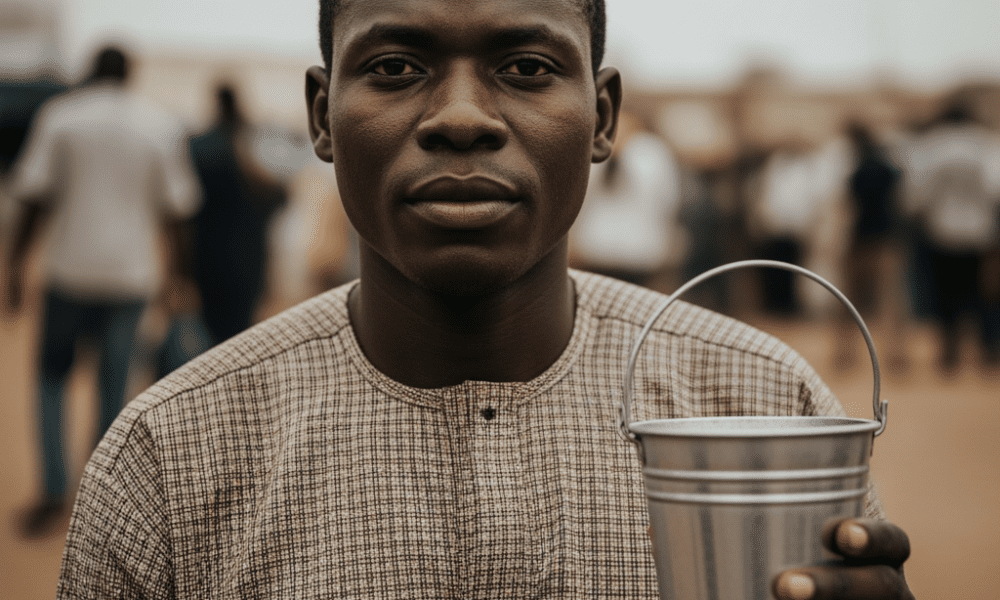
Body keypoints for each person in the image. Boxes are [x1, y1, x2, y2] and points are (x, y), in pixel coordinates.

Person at [56, 2, 914, 598]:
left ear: (603, 115)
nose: (461, 117)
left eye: (527, 68)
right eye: (394, 67)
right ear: (323, 114)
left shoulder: (763, 406)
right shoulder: (170, 457)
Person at [4, 45, 201, 538]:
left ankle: (52, 492)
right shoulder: (159, 124)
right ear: (131, 73)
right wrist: (178, 276)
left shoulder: (62, 117)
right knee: (114, 388)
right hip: (130, 279)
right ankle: (98, 498)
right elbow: (177, 211)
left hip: (68, 272)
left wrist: (13, 267)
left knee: (51, 381)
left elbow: (34, 194)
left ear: (90, 71)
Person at [188, 84, 287, 347]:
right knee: (240, 330)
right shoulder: (254, 146)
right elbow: (281, 198)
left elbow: (185, 208)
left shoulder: (199, 145)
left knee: (209, 330)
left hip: (207, 251)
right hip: (249, 252)